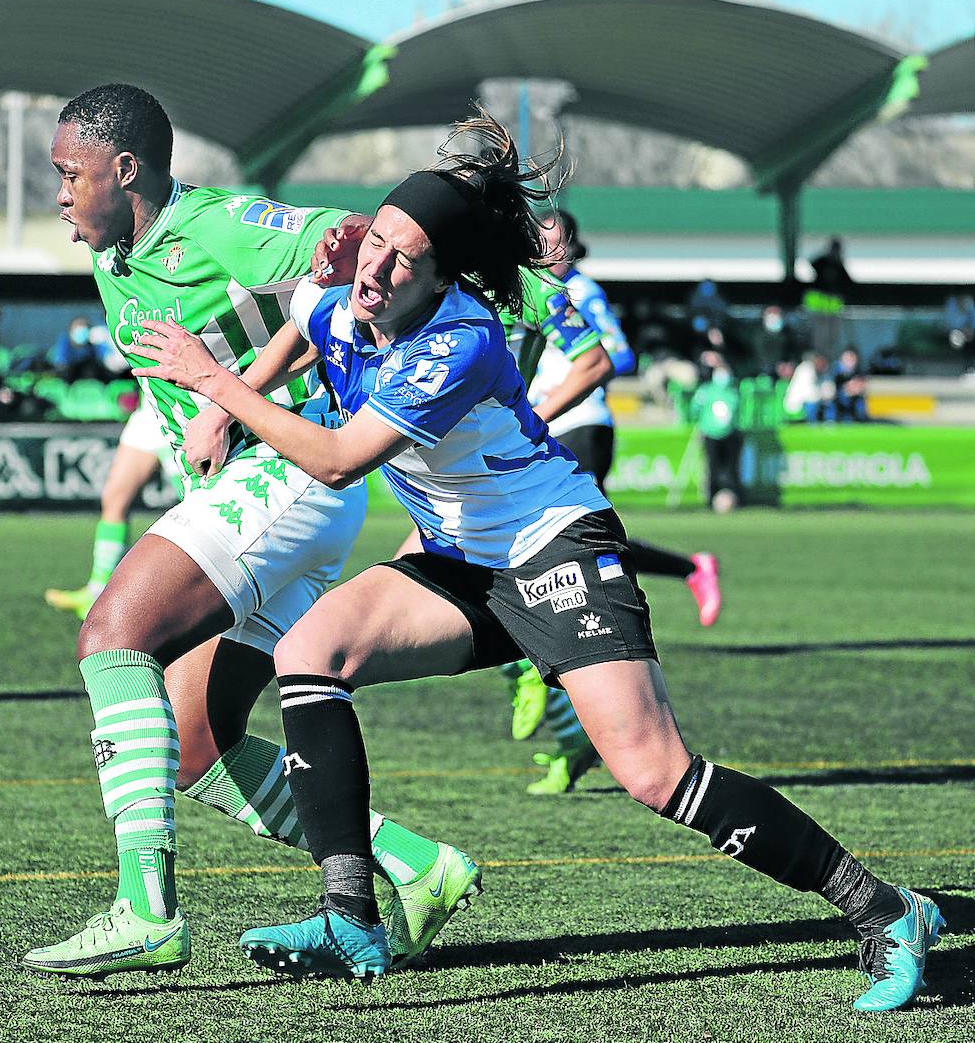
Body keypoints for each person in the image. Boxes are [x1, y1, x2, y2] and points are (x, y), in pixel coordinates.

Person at [131, 113, 942, 1009]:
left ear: (440, 276)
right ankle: (348, 911)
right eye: (376, 240)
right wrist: (228, 410)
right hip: (463, 562)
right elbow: (306, 329)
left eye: (404, 257)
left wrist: (220, 386)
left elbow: (335, 458)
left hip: (552, 550)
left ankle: (887, 909)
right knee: (308, 655)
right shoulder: (347, 297)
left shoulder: (460, 339)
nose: (376, 265)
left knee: (655, 773)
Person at [19, 84, 479, 982]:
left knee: (114, 633)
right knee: (194, 745)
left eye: (71, 176)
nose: (61, 195)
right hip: (280, 496)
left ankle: (144, 910)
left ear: (127, 170)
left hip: (288, 475)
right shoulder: (119, 251)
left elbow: (350, 248)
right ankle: (417, 864)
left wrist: (240, 396)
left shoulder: (223, 224)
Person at [504, 211, 722, 794]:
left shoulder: (575, 292)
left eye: (553, 240)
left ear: (573, 246)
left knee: (564, 546)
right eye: (536, 239)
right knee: (555, 547)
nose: (544, 249)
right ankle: (558, 712)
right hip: (546, 427)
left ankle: (534, 673)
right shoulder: (518, 288)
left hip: (578, 424)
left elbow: (615, 355)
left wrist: (548, 387)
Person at [44, 396, 178, 619]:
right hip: (150, 411)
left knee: (201, 500)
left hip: (182, 408)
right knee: (115, 498)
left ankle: (233, 593)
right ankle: (97, 592)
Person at [690, 350, 744, 511]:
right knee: (712, 469)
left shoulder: (733, 390)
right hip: (710, 433)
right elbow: (695, 409)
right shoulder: (706, 390)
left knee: (731, 469)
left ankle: (735, 498)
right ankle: (712, 499)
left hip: (730, 434)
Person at [832, 346, 869, 422]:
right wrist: (847, 389)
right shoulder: (835, 371)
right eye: (848, 358)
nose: (850, 361)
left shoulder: (859, 371)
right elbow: (831, 389)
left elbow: (861, 387)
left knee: (860, 403)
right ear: (842, 359)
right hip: (837, 399)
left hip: (854, 399)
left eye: (852, 358)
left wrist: (854, 389)